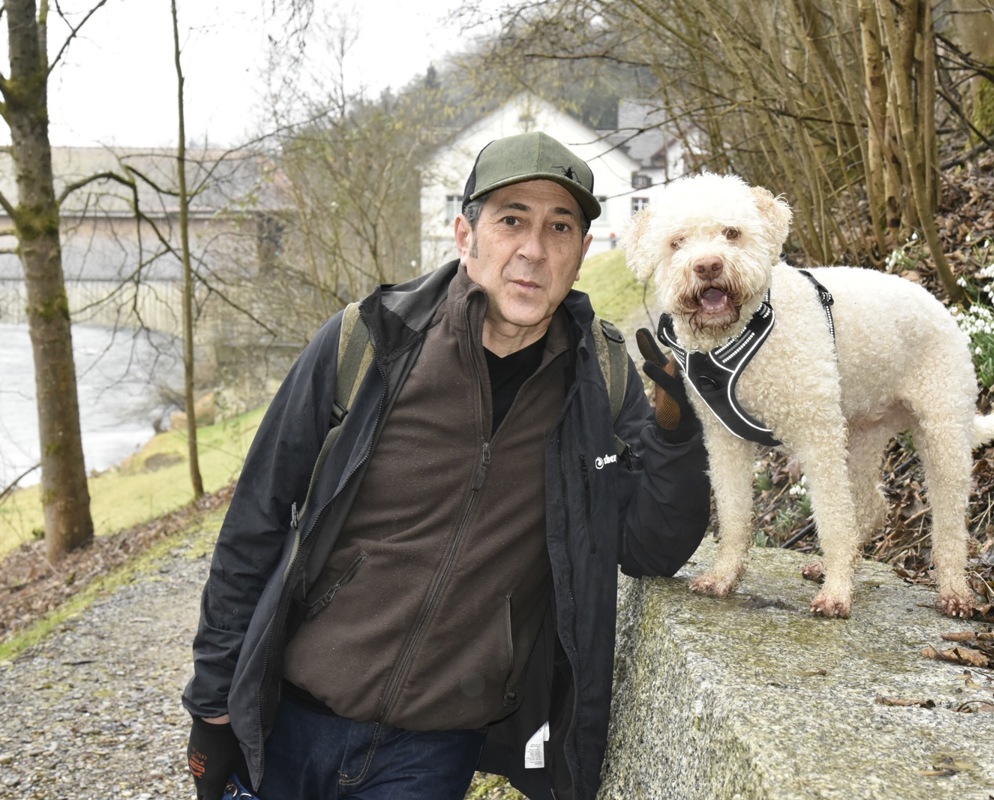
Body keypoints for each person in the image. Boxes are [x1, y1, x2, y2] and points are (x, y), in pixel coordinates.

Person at [182, 131, 710, 800]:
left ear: (581, 252)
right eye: (511, 220)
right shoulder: (367, 342)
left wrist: (675, 428)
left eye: (560, 227)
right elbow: (255, 519)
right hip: (291, 721)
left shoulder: (598, 384)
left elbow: (650, 545)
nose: (533, 250)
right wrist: (213, 699)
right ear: (466, 235)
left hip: (431, 754)